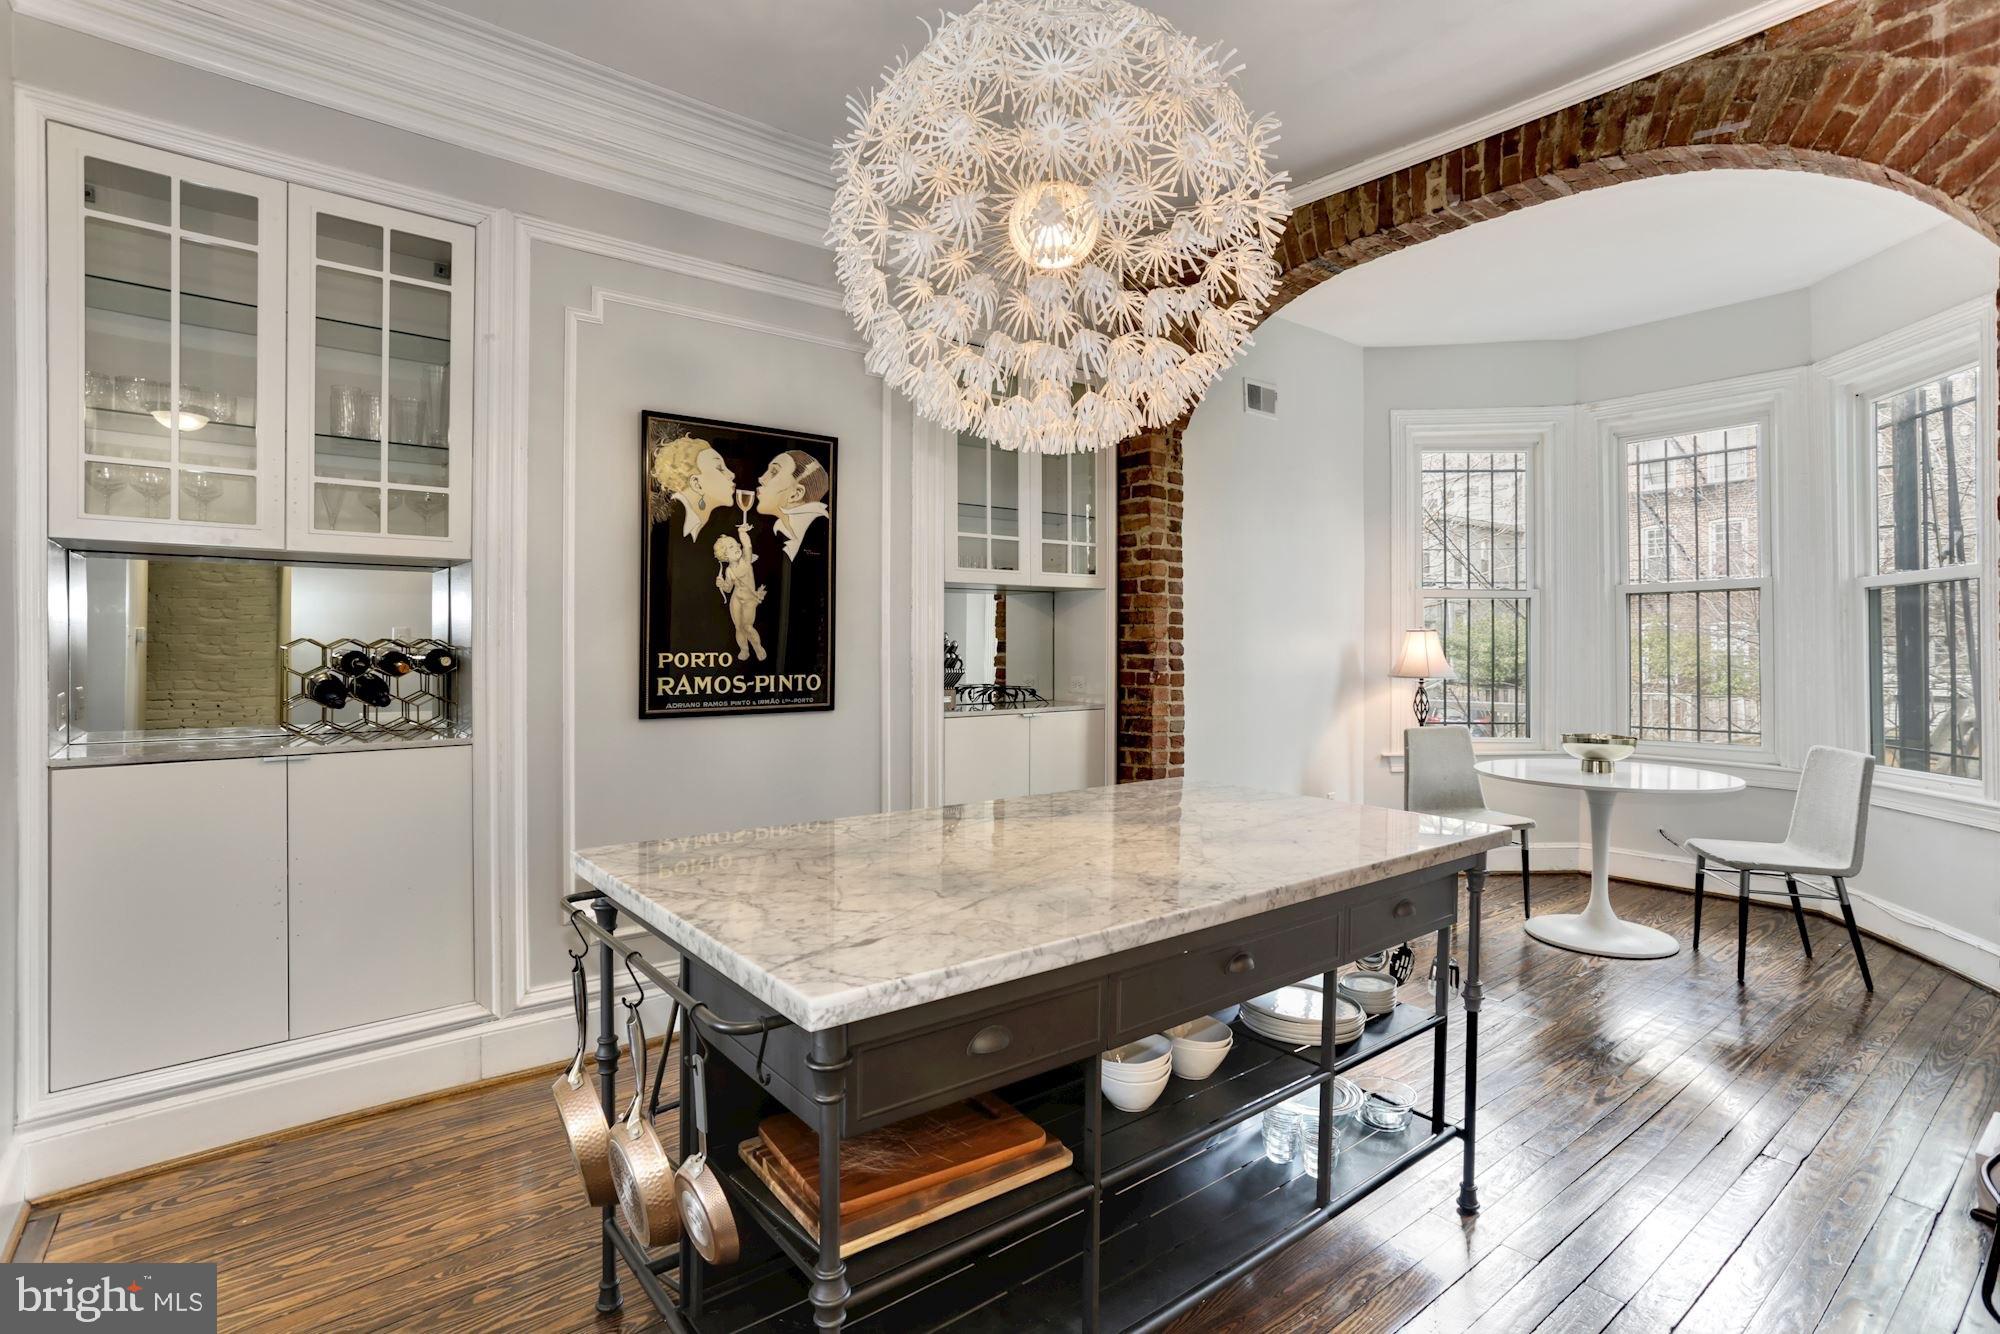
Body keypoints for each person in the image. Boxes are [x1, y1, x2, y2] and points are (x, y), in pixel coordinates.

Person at [650, 431, 740, 541]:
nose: (732, 475)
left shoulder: (714, 524)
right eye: (720, 469)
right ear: (696, 484)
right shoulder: (671, 524)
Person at [754, 449, 831, 560]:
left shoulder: (818, 537)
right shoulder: (780, 536)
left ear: (796, 494)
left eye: (774, 472)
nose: (761, 479)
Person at [712, 534, 767, 662]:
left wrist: (742, 532)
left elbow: (747, 544)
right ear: (725, 555)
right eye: (731, 546)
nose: (737, 546)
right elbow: (728, 589)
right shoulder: (729, 571)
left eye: (736, 544)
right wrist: (721, 584)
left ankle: (758, 647)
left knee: (747, 626)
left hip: (749, 600)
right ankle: (744, 649)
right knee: (738, 627)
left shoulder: (746, 560)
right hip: (736, 599)